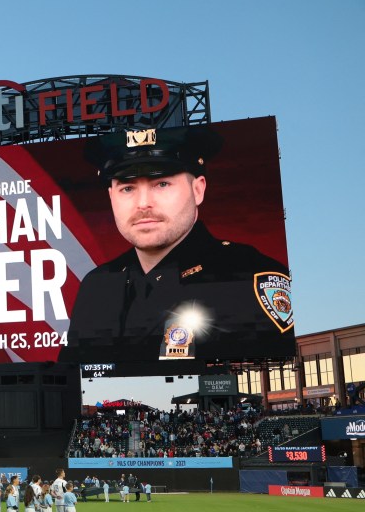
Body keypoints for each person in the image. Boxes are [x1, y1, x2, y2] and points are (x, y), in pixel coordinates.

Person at [64, 126, 293, 364]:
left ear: (198, 190)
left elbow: (267, 369)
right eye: (128, 188)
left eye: (161, 184)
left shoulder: (248, 277)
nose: (143, 204)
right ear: (111, 197)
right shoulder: (97, 286)